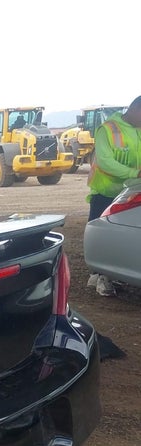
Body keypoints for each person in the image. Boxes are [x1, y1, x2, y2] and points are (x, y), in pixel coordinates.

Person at [87, 95, 141, 296]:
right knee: (101, 234)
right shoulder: (107, 129)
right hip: (106, 192)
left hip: (131, 193)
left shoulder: (139, 129)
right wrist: (134, 173)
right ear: (136, 110)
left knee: (121, 234)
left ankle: (110, 274)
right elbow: (104, 161)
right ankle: (100, 277)